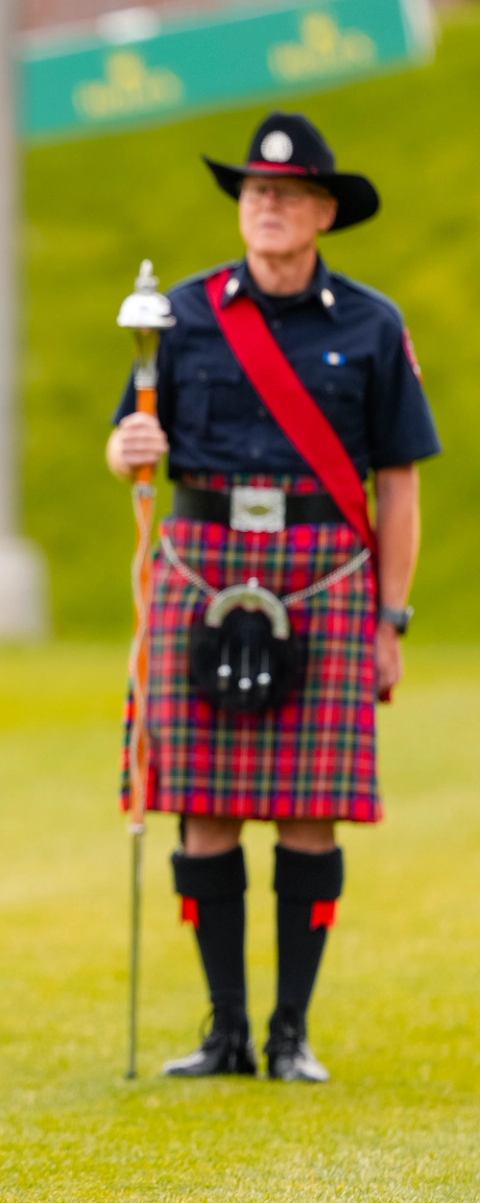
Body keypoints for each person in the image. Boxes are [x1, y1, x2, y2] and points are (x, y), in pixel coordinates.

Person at [107, 112, 437, 1082]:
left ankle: (291, 1031)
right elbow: (129, 439)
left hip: (328, 568)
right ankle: (225, 1030)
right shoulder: (179, 312)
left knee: (310, 810)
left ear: (325, 211)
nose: (269, 207)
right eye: (255, 192)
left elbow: (400, 483)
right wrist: (127, 449)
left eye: (288, 194)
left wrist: (390, 615)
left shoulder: (371, 324)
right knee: (203, 807)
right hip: (202, 556)